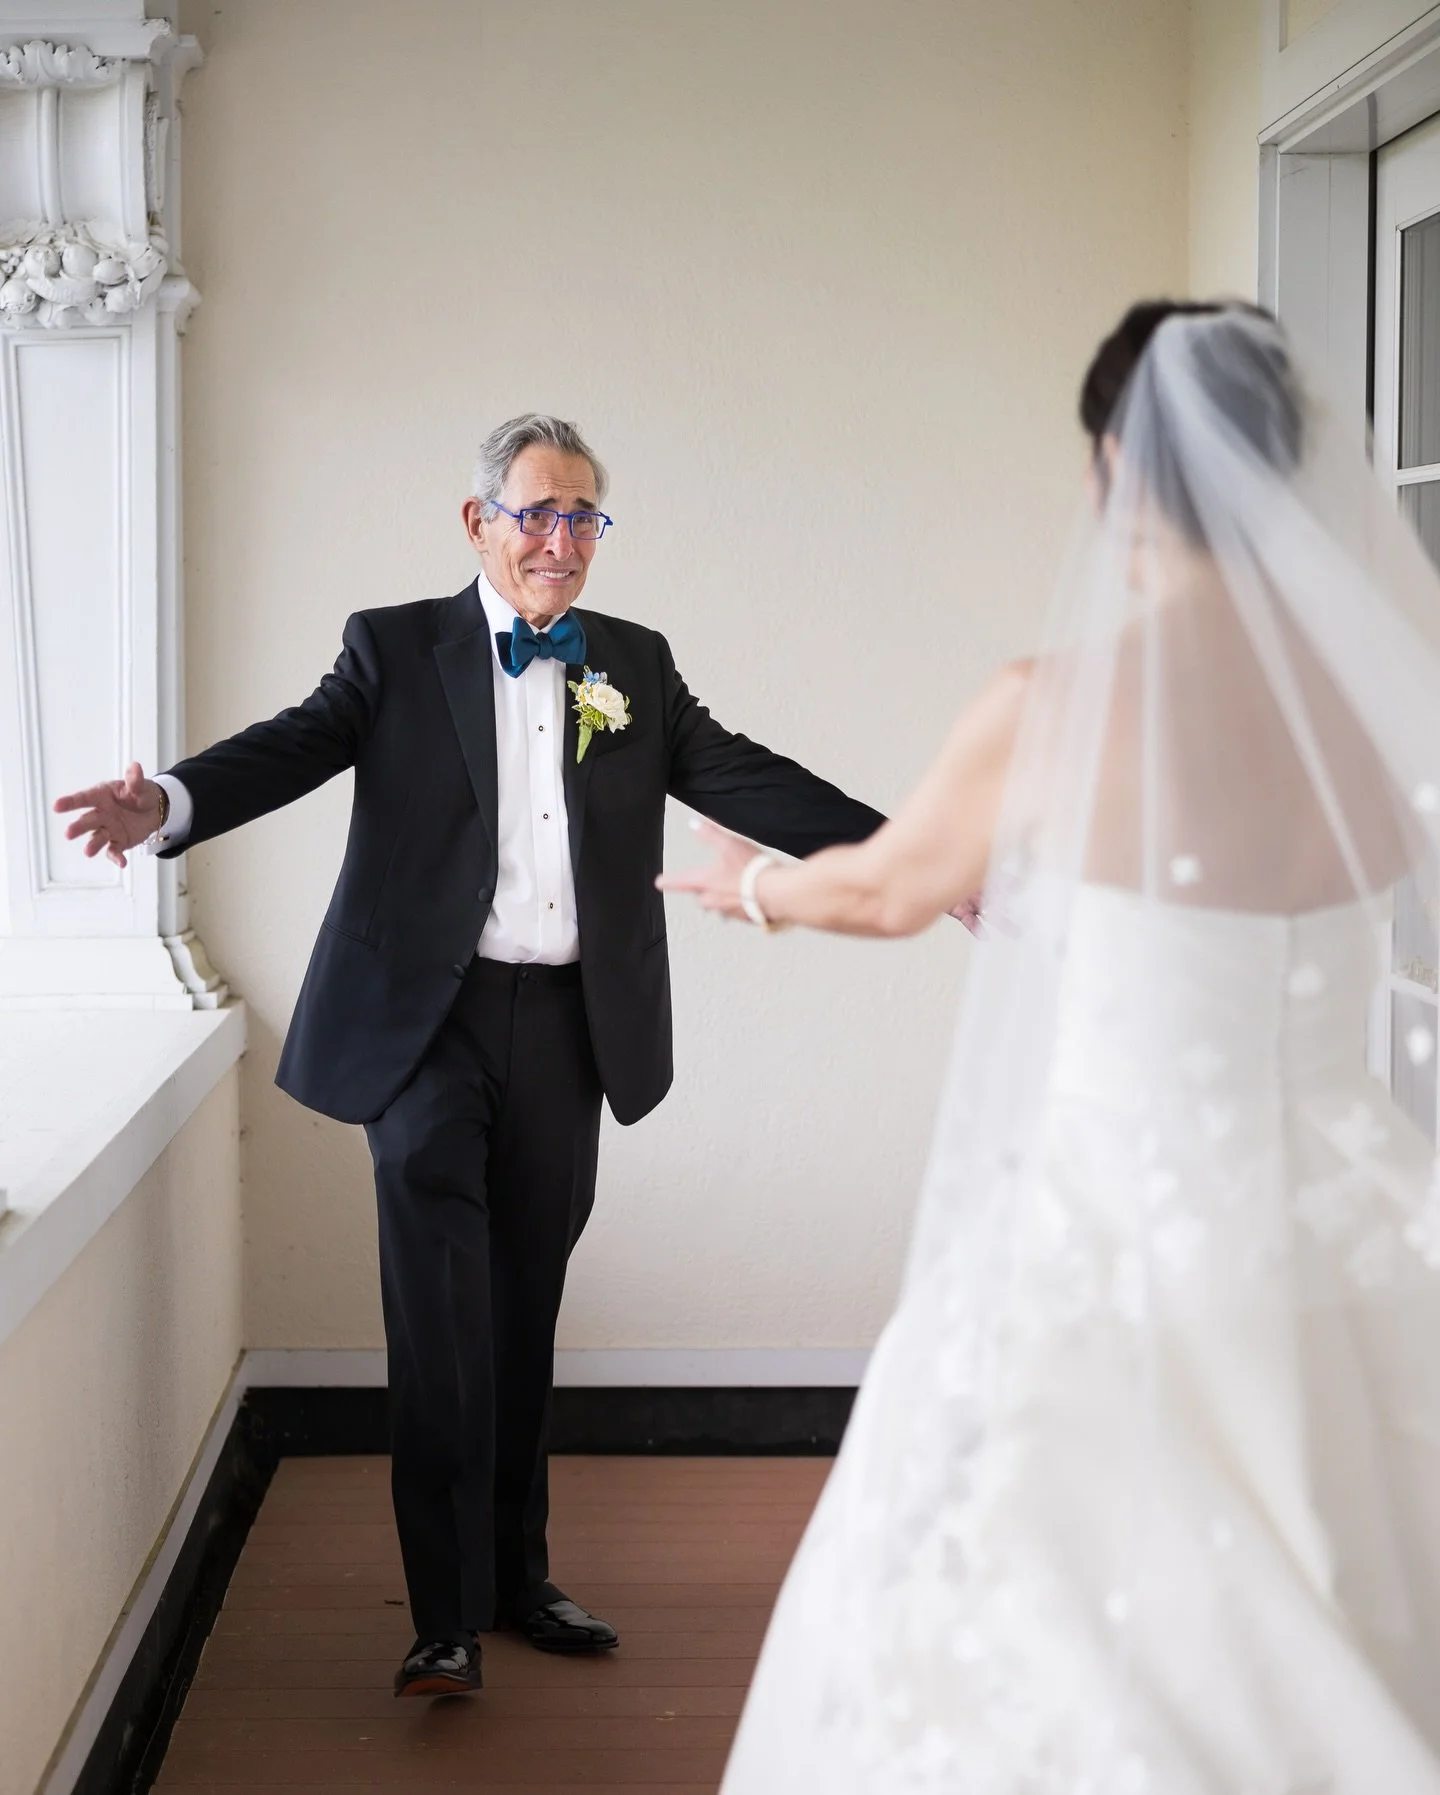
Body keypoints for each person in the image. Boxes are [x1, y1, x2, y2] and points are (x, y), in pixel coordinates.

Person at [662, 304, 1440, 1790]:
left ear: (1110, 473)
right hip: (1354, 1219)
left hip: (1113, 1227)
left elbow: (890, 887)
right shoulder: (1380, 709)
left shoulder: (1054, 706)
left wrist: (749, 883)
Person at [53, 414, 885, 1698]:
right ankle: (442, 1616)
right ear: (479, 521)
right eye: (539, 512)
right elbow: (291, 745)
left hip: (569, 1030)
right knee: (441, 1319)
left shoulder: (636, 666)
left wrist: (913, 860)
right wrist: (166, 800)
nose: (562, 540)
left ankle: (518, 1576)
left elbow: (743, 778)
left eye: (585, 517)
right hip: (423, 1030)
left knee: (523, 1309)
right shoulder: (393, 647)